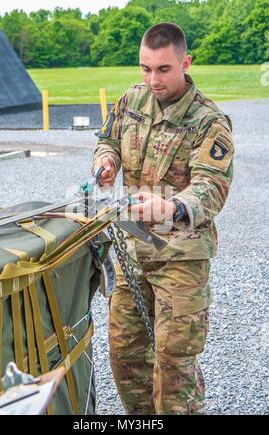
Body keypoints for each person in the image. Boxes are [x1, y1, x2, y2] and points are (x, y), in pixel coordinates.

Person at [92, 23, 234, 415]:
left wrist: (170, 207)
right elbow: (107, 140)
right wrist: (106, 161)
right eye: (145, 68)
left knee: (173, 369)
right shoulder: (130, 100)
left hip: (181, 259)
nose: (152, 79)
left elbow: (211, 187)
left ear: (185, 63)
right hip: (134, 250)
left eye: (163, 69)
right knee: (126, 359)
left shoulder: (209, 121)